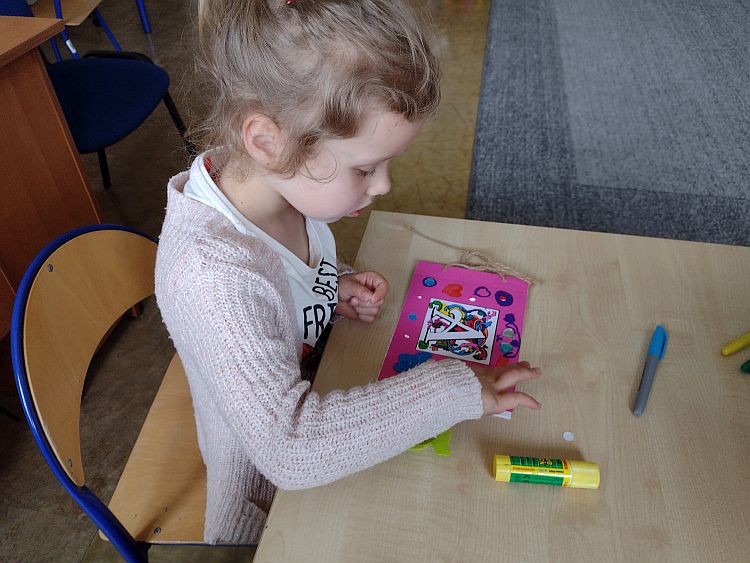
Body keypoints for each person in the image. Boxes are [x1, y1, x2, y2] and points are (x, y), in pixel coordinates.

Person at [155, 0, 542, 545]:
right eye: (365, 168)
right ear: (267, 142)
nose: (383, 185)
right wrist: (453, 390)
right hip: (272, 506)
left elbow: (281, 276)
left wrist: (331, 285)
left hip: (331, 392)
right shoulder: (212, 277)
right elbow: (290, 450)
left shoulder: (279, 182)